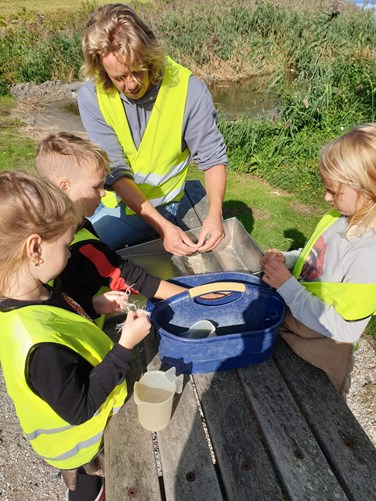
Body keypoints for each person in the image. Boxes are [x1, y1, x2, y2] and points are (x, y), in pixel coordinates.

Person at [0, 170, 152, 500]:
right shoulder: (37, 345)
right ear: (36, 248)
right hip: (78, 440)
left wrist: (94, 304)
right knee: (89, 480)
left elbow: (58, 314)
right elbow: (79, 407)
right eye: (67, 245)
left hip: (77, 413)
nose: (70, 253)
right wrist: (125, 346)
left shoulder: (28, 290)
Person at [77, 3, 227, 255]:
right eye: (119, 78)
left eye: (137, 71)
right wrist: (162, 229)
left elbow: (212, 160)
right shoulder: (91, 96)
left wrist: (215, 214)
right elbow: (116, 171)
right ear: (101, 70)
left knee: (85, 250)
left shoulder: (190, 92)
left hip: (164, 204)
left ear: (149, 54)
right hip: (111, 200)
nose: (132, 84)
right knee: (64, 239)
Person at [260, 123, 376, 397]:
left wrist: (287, 286)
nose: (326, 198)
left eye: (334, 192)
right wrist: (288, 259)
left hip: (322, 350)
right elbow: (315, 256)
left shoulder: (369, 255)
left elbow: (345, 330)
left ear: (369, 189)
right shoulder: (341, 219)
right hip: (297, 325)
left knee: (315, 409)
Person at [35, 132, 186, 327]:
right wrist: (192, 296)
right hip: (86, 335)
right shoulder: (80, 246)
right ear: (65, 187)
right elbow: (132, 277)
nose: (103, 192)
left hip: (84, 310)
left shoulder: (52, 225)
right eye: (96, 186)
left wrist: (90, 305)